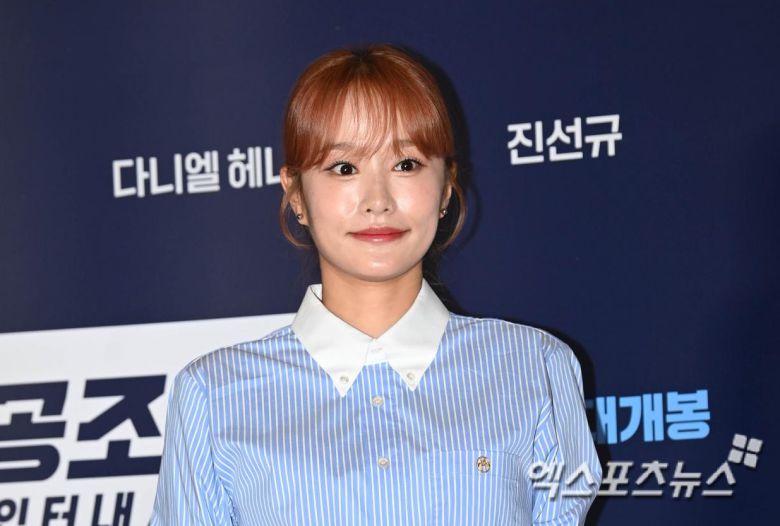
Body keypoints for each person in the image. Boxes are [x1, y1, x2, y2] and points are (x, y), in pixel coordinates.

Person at [151, 43, 602, 525]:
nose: (377, 200)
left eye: (406, 164)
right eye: (344, 168)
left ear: (446, 186)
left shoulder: (536, 367)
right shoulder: (213, 394)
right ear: (296, 193)